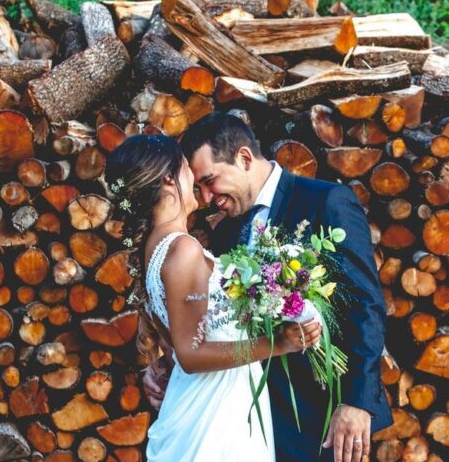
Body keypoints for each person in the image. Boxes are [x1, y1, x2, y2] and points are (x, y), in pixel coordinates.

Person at [144, 112, 393, 462]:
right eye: (198, 186)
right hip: (248, 419)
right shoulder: (225, 232)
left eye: (210, 180)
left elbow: (366, 305)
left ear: (244, 158)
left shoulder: (326, 202)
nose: (205, 196)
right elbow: (209, 320)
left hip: (323, 415)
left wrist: (356, 402)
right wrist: (164, 363)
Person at [104, 134, 322, 462]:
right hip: (213, 417)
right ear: (168, 179)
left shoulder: (153, 248)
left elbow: (176, 344)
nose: (192, 177)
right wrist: (280, 343)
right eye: (185, 168)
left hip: (211, 404)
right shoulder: (182, 249)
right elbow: (191, 355)